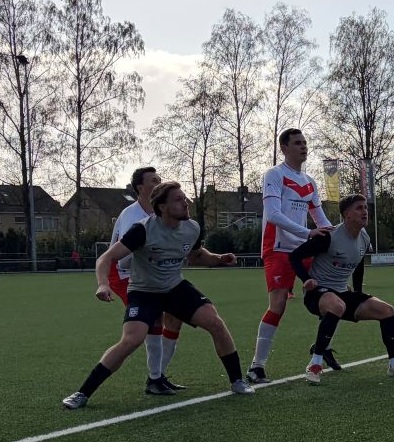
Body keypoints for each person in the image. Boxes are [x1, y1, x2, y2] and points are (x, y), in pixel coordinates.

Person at [63, 182, 253, 407]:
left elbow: (196, 256)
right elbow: (105, 258)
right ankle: (82, 393)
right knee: (132, 339)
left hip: (174, 288)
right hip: (144, 292)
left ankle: (237, 380)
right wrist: (102, 285)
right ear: (162, 207)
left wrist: (219, 259)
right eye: (178, 199)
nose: (185, 203)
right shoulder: (142, 230)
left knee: (215, 323)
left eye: (184, 198)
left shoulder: (192, 227)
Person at [287, 194, 394, 384]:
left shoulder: (364, 238)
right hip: (317, 293)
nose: (365, 212)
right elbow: (295, 256)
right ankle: (315, 364)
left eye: (365, 208)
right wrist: (307, 279)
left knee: (387, 310)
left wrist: (358, 294)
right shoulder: (329, 236)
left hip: (342, 294)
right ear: (346, 215)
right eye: (359, 208)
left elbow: (358, 265)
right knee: (336, 305)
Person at [249, 128, 333, 384]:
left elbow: (320, 218)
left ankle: (321, 350)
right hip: (278, 248)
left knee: (334, 296)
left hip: (304, 247)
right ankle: (257, 367)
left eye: (305, 143)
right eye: (297, 143)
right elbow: (274, 215)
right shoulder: (274, 175)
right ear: (284, 148)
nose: (303, 147)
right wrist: (308, 233)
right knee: (278, 305)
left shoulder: (309, 180)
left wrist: (341, 236)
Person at [108, 165, 185, 395]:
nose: (158, 183)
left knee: (174, 319)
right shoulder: (131, 215)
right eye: (153, 180)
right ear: (140, 188)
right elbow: (122, 260)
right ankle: (155, 379)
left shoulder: (160, 212)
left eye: (160, 179)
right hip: (125, 275)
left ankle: (157, 375)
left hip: (152, 272)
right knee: (152, 323)